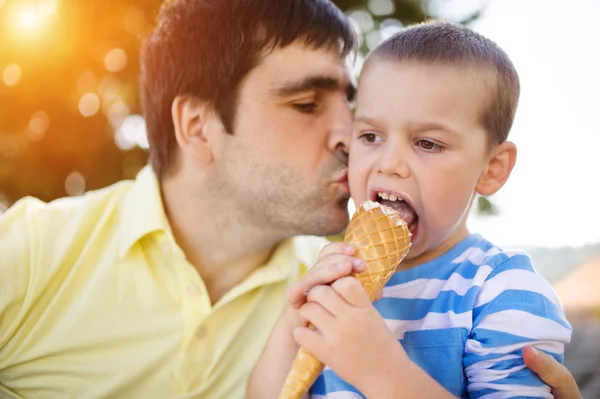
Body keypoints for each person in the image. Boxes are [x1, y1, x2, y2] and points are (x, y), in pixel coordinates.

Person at [0, 0, 584, 398]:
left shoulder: (333, 277)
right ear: (198, 127)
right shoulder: (29, 256)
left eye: (351, 108)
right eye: (307, 104)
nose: (349, 137)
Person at [247, 21, 574, 399]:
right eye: (371, 136)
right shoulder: (333, 278)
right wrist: (295, 318)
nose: (390, 163)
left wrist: (380, 370)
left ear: (491, 169)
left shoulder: (502, 291)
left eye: (428, 143)